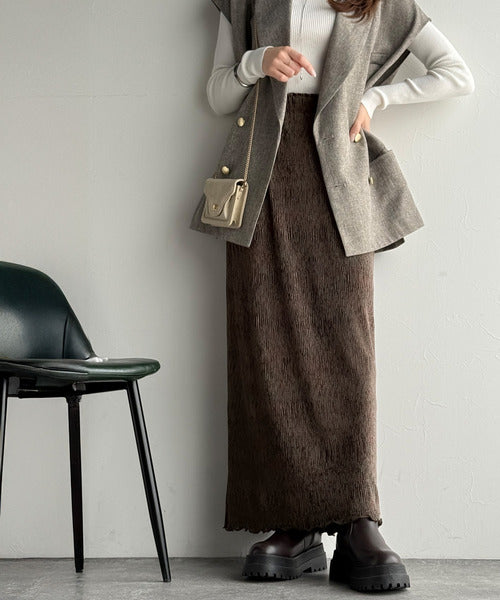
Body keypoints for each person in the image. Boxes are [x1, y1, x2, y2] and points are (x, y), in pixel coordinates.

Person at [206, 0, 474, 591]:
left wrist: (374, 99)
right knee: (266, 351)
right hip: (262, 184)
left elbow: (456, 73)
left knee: (348, 352)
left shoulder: (379, 4)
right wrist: (256, 61)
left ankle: (357, 523)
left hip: (340, 186)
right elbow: (218, 96)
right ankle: (293, 527)